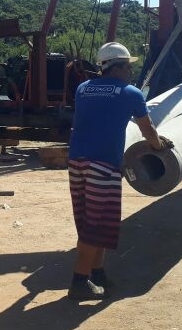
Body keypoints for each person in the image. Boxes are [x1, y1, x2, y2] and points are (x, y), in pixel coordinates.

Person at [66, 42, 171, 301]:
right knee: (98, 223)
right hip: (103, 164)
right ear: (120, 66)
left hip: (77, 162)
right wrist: (159, 146)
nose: (131, 72)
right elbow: (147, 131)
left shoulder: (83, 90)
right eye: (128, 67)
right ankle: (79, 281)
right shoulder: (131, 93)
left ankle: (97, 273)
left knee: (88, 221)